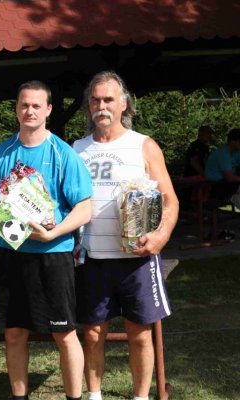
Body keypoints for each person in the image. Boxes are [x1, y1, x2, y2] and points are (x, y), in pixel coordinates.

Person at [0, 81, 93, 400]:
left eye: (36, 105)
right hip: (11, 254)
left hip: (53, 253)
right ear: (16, 108)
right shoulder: (1, 154)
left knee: (64, 333)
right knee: (14, 334)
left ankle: (74, 397)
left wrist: (53, 233)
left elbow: (85, 208)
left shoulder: (63, 153)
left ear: (48, 110)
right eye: (24, 105)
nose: (29, 111)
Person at [72, 71, 179, 400]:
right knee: (92, 334)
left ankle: (140, 397)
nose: (101, 106)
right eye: (95, 100)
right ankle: (94, 395)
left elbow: (169, 200)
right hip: (92, 258)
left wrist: (160, 236)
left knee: (140, 334)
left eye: (108, 99)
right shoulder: (77, 149)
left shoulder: (143, 145)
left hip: (137, 259)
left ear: (124, 104)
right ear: (88, 105)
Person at [204, 128, 240, 202]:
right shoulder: (222, 153)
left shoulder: (236, 152)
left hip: (227, 183)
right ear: (233, 141)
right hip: (214, 186)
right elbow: (230, 178)